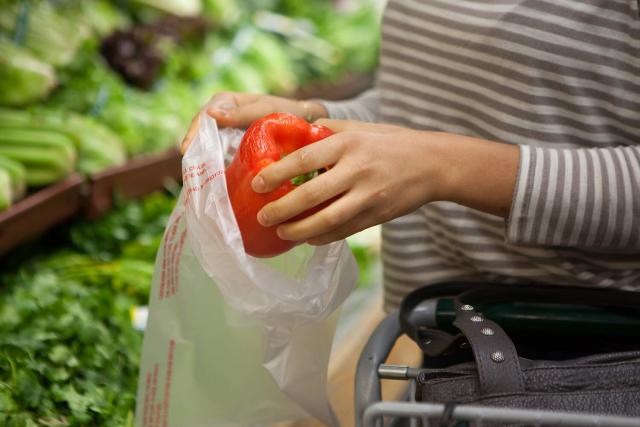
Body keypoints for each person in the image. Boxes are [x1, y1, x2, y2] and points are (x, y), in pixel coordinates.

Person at [182, 0, 640, 311]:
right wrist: (314, 121)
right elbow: (431, 103)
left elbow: (437, 149)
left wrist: (441, 166)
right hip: (443, 334)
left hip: (582, 347)